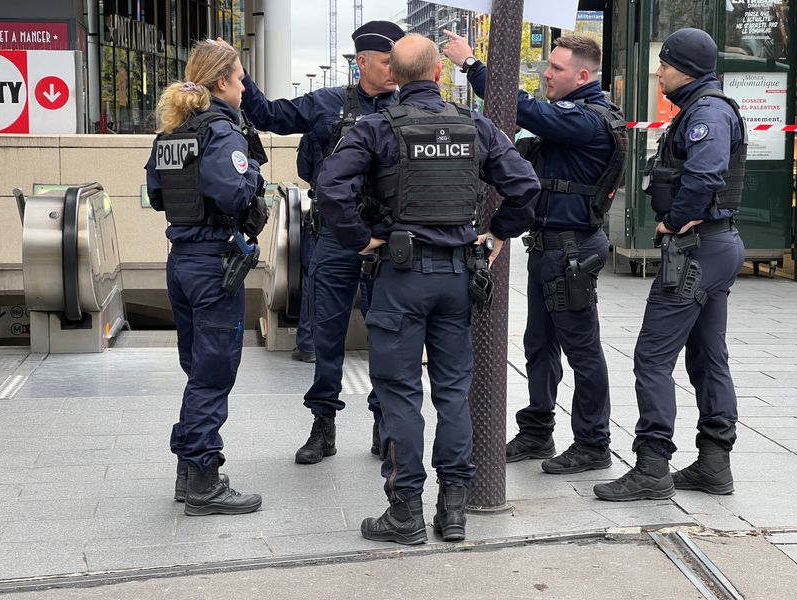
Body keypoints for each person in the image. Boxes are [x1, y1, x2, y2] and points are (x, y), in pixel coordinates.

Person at [317, 33, 540, 545]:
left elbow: (331, 188)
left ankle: (405, 512)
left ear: (392, 76)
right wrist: (498, 231)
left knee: (400, 394)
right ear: (440, 74)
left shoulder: (377, 127)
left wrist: (361, 240)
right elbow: (525, 185)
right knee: (453, 395)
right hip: (458, 278)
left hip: (400, 276)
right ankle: (454, 511)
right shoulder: (474, 124)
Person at [219, 21, 405, 464]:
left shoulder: (408, 108)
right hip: (337, 237)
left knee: (389, 335)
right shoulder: (327, 104)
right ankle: (323, 426)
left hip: (385, 239)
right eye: (385, 62)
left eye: (398, 62)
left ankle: (386, 426)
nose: (394, 70)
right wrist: (237, 68)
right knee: (327, 335)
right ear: (361, 62)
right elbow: (268, 116)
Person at [445, 32, 626, 474]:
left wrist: (471, 65)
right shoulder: (573, 118)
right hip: (550, 249)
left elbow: (519, 107)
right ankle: (537, 430)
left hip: (572, 251)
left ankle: (593, 443)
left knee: (581, 349)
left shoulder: (588, 119)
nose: (547, 73)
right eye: (548, 65)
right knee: (539, 346)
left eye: (556, 69)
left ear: (582, 76)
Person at [594, 28, 746, 501]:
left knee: (652, 357)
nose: (658, 71)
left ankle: (652, 466)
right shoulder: (705, 109)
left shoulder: (708, 112)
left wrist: (673, 224)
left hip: (697, 248)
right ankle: (714, 464)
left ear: (687, 69)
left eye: (665, 63)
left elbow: (704, 175)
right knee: (706, 354)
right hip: (715, 246)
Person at [145, 40, 263, 516]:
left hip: (182, 261)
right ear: (221, 83)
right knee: (214, 372)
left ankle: (186, 469)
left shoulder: (173, 132)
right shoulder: (221, 130)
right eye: (239, 78)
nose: (243, 87)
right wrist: (252, 169)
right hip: (216, 262)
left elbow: (156, 195)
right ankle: (203, 481)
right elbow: (231, 190)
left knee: (199, 369)